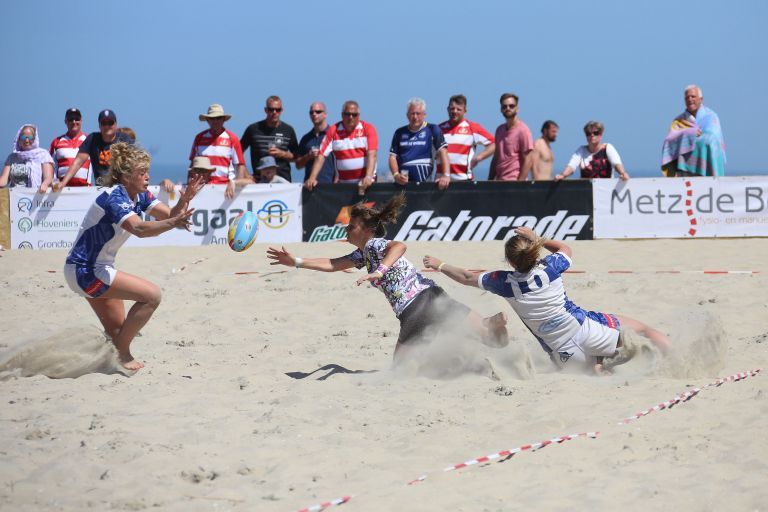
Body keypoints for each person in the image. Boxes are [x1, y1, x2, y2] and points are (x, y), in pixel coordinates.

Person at [266, 195, 508, 362]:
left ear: (367, 229)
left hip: (413, 310)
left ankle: (465, 355)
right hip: (434, 296)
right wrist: (296, 261)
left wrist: (380, 271)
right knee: (490, 338)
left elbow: (400, 246)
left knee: (399, 372)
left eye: (351, 226)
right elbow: (333, 264)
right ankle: (492, 335)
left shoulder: (374, 244)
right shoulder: (363, 253)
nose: (346, 230)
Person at [423, 226, 671, 375]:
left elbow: (466, 277)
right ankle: (677, 358)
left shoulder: (504, 282)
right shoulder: (550, 267)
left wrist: (439, 264)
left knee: (596, 371)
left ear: (510, 262)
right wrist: (537, 237)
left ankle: (598, 368)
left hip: (563, 353)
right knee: (645, 331)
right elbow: (566, 249)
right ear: (534, 251)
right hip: (587, 330)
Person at [63, 143, 205, 371]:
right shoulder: (114, 198)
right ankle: (122, 354)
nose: (148, 176)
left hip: (91, 269)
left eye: (147, 171)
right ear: (126, 176)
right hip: (86, 271)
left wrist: (184, 199)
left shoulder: (139, 195)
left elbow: (170, 215)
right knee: (152, 296)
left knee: (118, 333)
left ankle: (92, 357)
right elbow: (140, 229)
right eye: (142, 172)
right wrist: (172, 223)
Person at [161, 104, 248, 198]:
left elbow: (240, 165)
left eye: (218, 118)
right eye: (212, 118)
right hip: (202, 187)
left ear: (223, 119)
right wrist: (190, 184)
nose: (215, 121)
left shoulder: (232, 138)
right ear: (207, 120)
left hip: (225, 188)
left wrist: (236, 185)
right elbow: (193, 165)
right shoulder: (199, 138)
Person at [304, 100, 378, 193]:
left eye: (354, 115)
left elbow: (372, 155)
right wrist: (312, 178)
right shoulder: (333, 130)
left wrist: (368, 176)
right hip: (344, 185)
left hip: (365, 185)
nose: (351, 117)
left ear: (358, 116)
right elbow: (321, 155)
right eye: (348, 114)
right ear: (342, 115)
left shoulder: (368, 128)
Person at [54, 109, 133, 189]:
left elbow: (135, 162)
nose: (107, 126)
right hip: (101, 189)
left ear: (116, 125)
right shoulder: (92, 139)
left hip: (123, 188)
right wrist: (63, 183)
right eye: (104, 123)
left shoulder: (124, 139)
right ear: (99, 126)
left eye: (110, 123)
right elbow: (77, 162)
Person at [661, 84, 726, 177]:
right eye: (687, 97)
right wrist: (689, 134)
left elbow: (712, 140)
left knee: (710, 139)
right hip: (684, 170)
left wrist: (689, 139)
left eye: (693, 96)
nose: (690, 99)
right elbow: (669, 141)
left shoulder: (711, 117)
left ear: (701, 99)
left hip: (707, 165)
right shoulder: (678, 121)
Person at [389, 98, 450, 189]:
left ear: (424, 115)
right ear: (407, 115)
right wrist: (396, 175)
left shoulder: (433, 129)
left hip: (424, 184)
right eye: (412, 113)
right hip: (403, 185)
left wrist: (446, 175)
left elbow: (443, 151)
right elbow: (392, 157)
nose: (415, 117)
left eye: (418, 113)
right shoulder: (399, 132)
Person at [241, 96, 299, 182]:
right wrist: (246, 174)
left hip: (283, 182)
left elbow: (297, 157)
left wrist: (283, 154)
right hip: (260, 182)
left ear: (282, 110)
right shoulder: (253, 129)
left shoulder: (288, 130)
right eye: (271, 109)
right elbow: (238, 153)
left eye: (278, 110)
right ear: (266, 110)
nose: (274, 112)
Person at [438, 94, 495, 182]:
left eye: (458, 109)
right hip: (441, 182)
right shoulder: (438, 129)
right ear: (447, 109)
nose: (454, 111)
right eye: (452, 108)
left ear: (465, 111)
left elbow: (493, 144)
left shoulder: (472, 128)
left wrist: (478, 157)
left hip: (463, 181)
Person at [555, 121, 629, 181]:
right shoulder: (581, 150)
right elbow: (572, 165)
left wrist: (623, 173)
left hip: (606, 191)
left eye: (595, 133)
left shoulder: (607, 148)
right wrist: (563, 175)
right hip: (587, 192)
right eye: (588, 133)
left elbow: (616, 163)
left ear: (601, 134)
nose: (592, 135)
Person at [489, 93, 534, 181]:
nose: (508, 108)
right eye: (504, 106)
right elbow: (496, 157)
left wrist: (519, 185)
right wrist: (489, 181)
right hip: (499, 181)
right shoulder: (499, 130)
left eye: (511, 106)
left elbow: (528, 159)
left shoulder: (523, 130)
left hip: (514, 181)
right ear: (501, 109)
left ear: (517, 108)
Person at [1, 125, 54, 193]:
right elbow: (3, 180)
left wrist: (45, 184)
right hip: (15, 197)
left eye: (30, 137)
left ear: (35, 139)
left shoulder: (43, 155)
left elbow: (48, 178)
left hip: (37, 196)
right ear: (19, 139)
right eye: (23, 137)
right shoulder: (12, 157)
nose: (26, 140)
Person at [49, 108, 91, 186]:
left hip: (85, 190)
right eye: (70, 119)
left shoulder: (90, 140)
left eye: (77, 119)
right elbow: (50, 167)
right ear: (65, 122)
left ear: (81, 120)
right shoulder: (56, 142)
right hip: (61, 190)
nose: (74, 122)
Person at [295, 102, 335, 184]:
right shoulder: (305, 138)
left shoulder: (334, 135)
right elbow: (298, 165)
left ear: (325, 114)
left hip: (330, 186)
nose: (314, 114)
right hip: (309, 187)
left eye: (318, 111)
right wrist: (308, 156)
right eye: (311, 112)